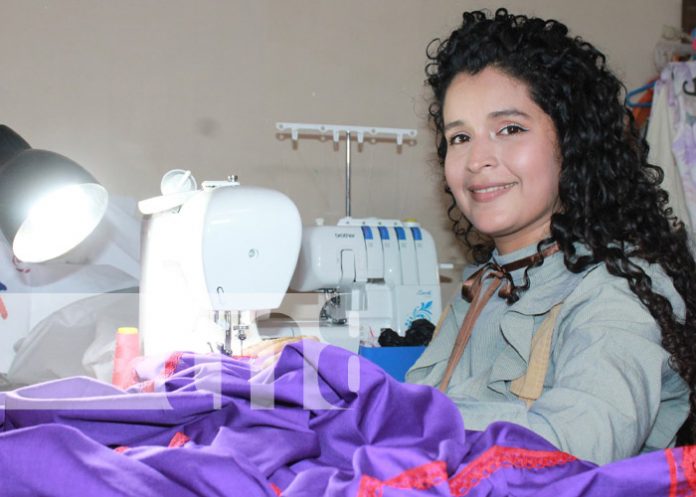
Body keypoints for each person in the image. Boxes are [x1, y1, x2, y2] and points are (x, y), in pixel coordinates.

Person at [405, 8, 696, 466]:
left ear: (572, 143)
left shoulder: (619, 290)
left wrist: (395, 422)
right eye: (459, 137)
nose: (477, 158)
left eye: (510, 129)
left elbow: (574, 445)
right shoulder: (484, 283)